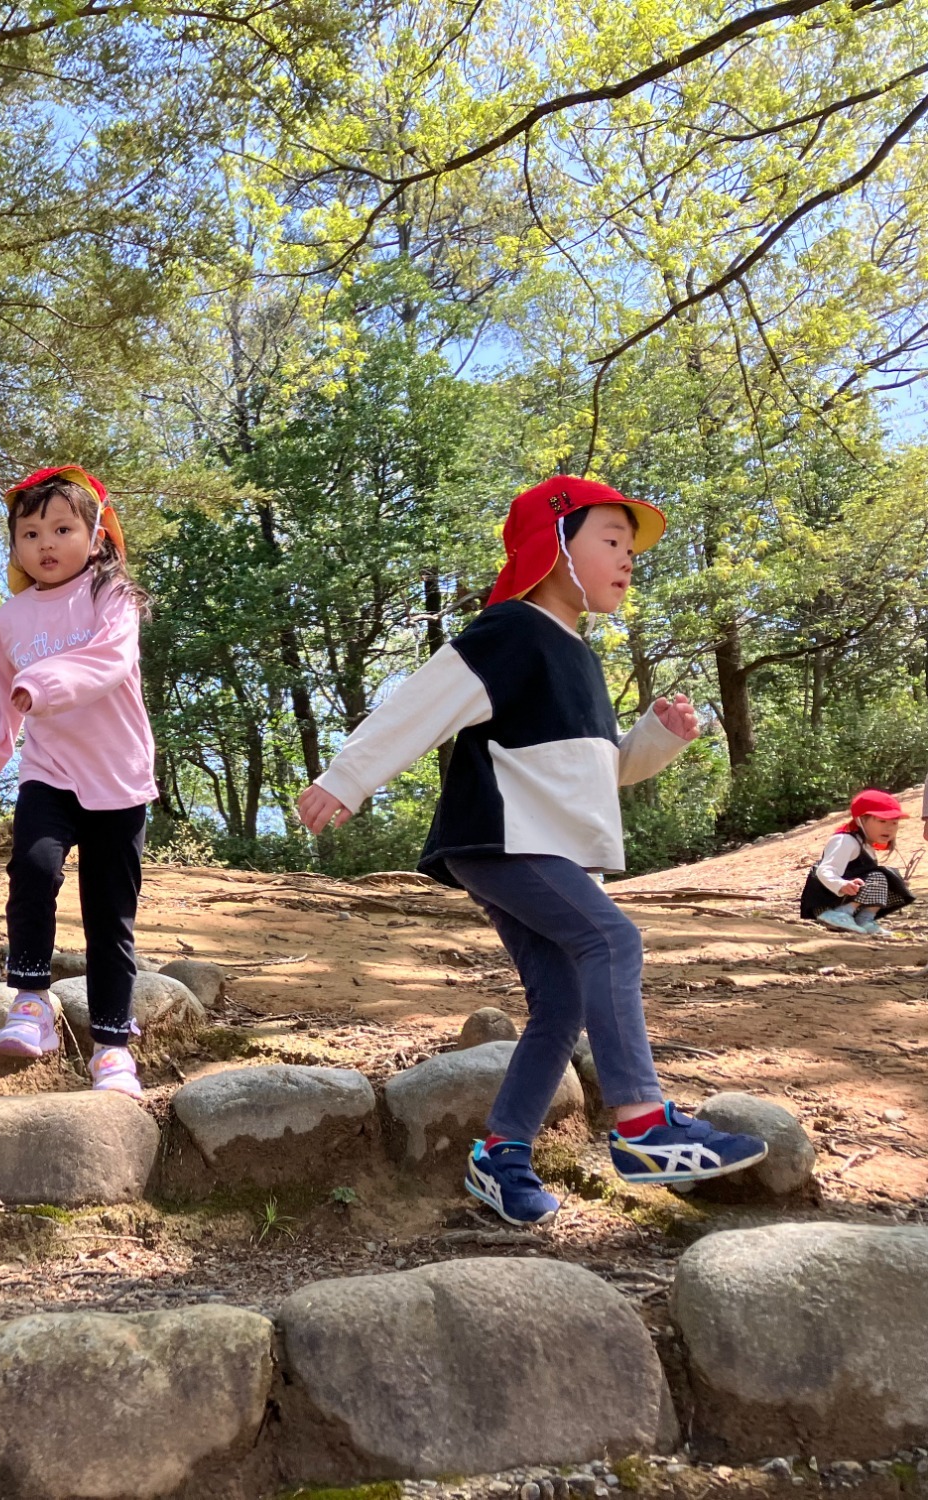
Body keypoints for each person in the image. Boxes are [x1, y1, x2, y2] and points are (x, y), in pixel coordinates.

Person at [297, 475, 768, 1226]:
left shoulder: (578, 655)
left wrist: (655, 742)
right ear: (554, 544)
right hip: (505, 838)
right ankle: (644, 1125)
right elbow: (423, 702)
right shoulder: (510, 629)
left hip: (543, 845)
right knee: (611, 938)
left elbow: (596, 770)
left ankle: (500, 1155)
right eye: (611, 541)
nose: (627, 560)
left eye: (631, 549)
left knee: (564, 1001)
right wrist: (346, 779)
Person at [0, 466, 156, 1100]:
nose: (46, 542)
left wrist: (41, 683)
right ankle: (32, 1002)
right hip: (50, 773)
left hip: (119, 778)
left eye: (63, 528)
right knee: (34, 869)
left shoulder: (110, 594)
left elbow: (108, 662)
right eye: (30, 531)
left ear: (94, 537)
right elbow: (5, 702)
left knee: (108, 916)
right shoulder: (10, 618)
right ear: (14, 545)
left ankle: (113, 1047)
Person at [802, 789, 912, 936]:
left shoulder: (866, 846)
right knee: (879, 876)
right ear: (861, 820)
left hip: (844, 898)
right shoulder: (845, 841)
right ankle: (840, 914)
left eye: (894, 822)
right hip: (827, 903)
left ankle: (864, 920)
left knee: (889, 877)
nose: (889, 828)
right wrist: (841, 885)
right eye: (882, 821)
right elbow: (824, 870)